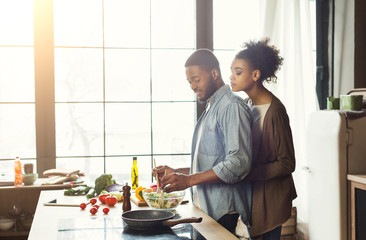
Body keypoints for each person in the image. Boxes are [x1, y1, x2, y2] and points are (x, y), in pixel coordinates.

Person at [155, 48, 253, 234]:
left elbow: (238, 163)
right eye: (189, 81)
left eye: (196, 79)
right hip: (207, 210)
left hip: (226, 213)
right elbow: (213, 164)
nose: (192, 86)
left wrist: (189, 180)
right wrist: (176, 173)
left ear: (214, 73)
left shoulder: (231, 106)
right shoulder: (212, 107)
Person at [230, 38, 297, 240]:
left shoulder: (275, 111)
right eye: (231, 71)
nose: (231, 77)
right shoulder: (246, 104)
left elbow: (287, 163)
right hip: (252, 195)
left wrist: (248, 173)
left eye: (238, 72)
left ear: (255, 75)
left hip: (270, 198)